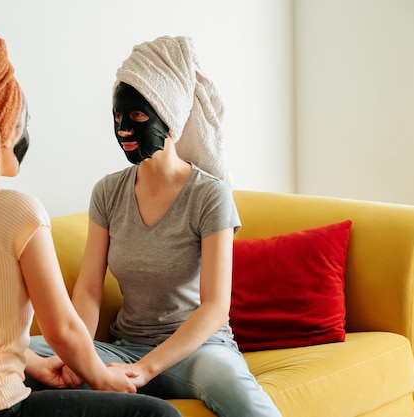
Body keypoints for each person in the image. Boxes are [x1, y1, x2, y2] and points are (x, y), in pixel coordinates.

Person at [0, 27, 181, 417]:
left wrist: (32, 361)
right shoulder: (19, 211)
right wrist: (101, 377)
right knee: (158, 415)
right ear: (1, 130)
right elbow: (61, 327)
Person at [28, 36, 283, 417]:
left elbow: (214, 308)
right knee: (17, 351)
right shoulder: (107, 192)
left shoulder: (210, 195)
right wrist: (78, 356)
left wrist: (144, 370)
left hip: (200, 351)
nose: (125, 129)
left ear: (170, 119)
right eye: (117, 118)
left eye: (138, 117)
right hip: (123, 345)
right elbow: (89, 290)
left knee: (250, 406)